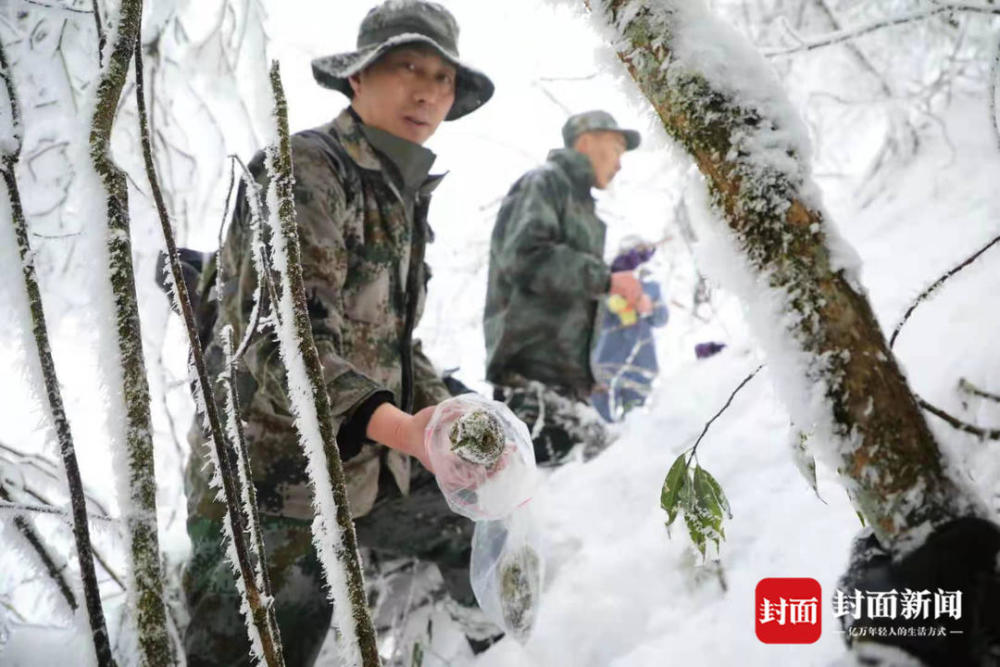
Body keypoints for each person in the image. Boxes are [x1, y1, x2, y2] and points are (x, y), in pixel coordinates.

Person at [181, 2, 496, 664]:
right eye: (407, 66)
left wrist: (444, 412)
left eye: (442, 77)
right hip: (272, 490)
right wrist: (406, 430)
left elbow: (392, 344)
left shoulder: (399, 192)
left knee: (480, 524)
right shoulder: (306, 173)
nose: (427, 91)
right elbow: (280, 344)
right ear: (358, 77)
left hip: (361, 470)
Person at [483, 110, 646, 464]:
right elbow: (526, 256)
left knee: (571, 497)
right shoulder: (545, 183)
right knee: (536, 497)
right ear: (586, 141)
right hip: (530, 377)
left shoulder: (583, 208)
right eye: (616, 148)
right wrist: (606, 279)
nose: (620, 163)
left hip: (566, 382)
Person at [589, 237, 669, 423]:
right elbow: (592, 316)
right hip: (609, 354)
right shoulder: (606, 280)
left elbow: (662, 318)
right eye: (635, 252)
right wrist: (609, 304)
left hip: (642, 354)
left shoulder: (649, 284)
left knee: (638, 409)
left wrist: (650, 307)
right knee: (605, 403)